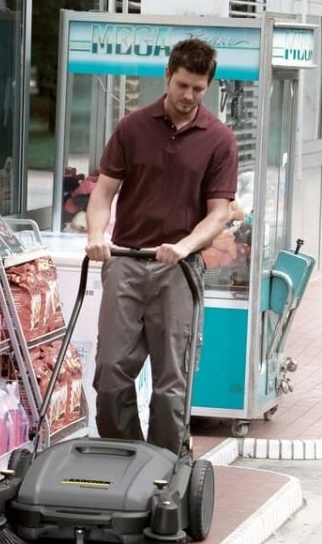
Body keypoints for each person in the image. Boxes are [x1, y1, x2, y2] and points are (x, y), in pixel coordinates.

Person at [85, 37, 239, 453]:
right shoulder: (132, 127)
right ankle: (125, 457)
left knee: (172, 381)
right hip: (127, 262)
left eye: (198, 89)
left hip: (179, 270)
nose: (188, 96)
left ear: (208, 87)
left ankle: (166, 468)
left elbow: (219, 213)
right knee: (111, 370)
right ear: (167, 76)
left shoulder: (219, 139)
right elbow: (103, 194)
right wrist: (96, 236)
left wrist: (186, 246)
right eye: (182, 85)